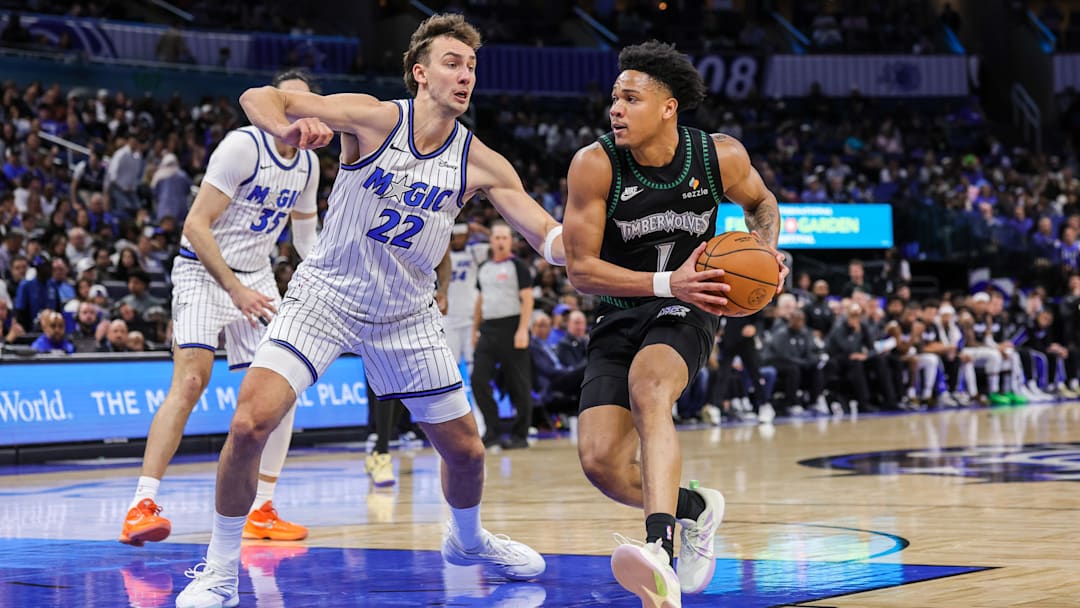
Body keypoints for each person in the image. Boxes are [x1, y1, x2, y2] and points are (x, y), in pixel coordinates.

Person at [176, 14, 564, 607]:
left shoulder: (480, 161)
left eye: (472, 66)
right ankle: (221, 571)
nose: (466, 76)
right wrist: (289, 128)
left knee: (465, 451)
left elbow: (546, 235)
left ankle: (467, 540)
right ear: (420, 73)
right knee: (250, 421)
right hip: (327, 294)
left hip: (406, 314)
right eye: (453, 63)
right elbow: (259, 95)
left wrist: (585, 244)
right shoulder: (377, 118)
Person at [562, 41, 786, 606]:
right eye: (614, 98)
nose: (615, 109)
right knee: (601, 464)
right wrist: (666, 282)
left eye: (630, 99)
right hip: (621, 307)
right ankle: (696, 509)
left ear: (668, 108)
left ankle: (657, 548)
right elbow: (581, 270)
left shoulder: (720, 157)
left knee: (650, 385)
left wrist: (766, 253)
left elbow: (763, 204)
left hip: (693, 302)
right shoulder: (595, 164)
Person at [120, 71, 320, 549]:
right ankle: (140, 505)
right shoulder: (242, 147)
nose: (295, 109)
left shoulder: (309, 164)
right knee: (190, 382)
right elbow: (194, 225)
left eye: (305, 102)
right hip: (204, 272)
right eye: (286, 100)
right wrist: (233, 290)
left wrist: (320, 286)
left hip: (256, 278)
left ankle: (262, 509)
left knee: (282, 388)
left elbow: (306, 238)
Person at [471, 222, 535, 449]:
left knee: (519, 383)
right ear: (491, 241)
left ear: (510, 241)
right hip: (489, 329)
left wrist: (522, 329)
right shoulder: (484, 268)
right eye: (496, 237)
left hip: (512, 326)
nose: (500, 241)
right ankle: (493, 430)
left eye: (504, 238)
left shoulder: (518, 266)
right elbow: (480, 301)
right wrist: (474, 330)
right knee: (478, 379)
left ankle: (520, 435)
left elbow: (527, 299)